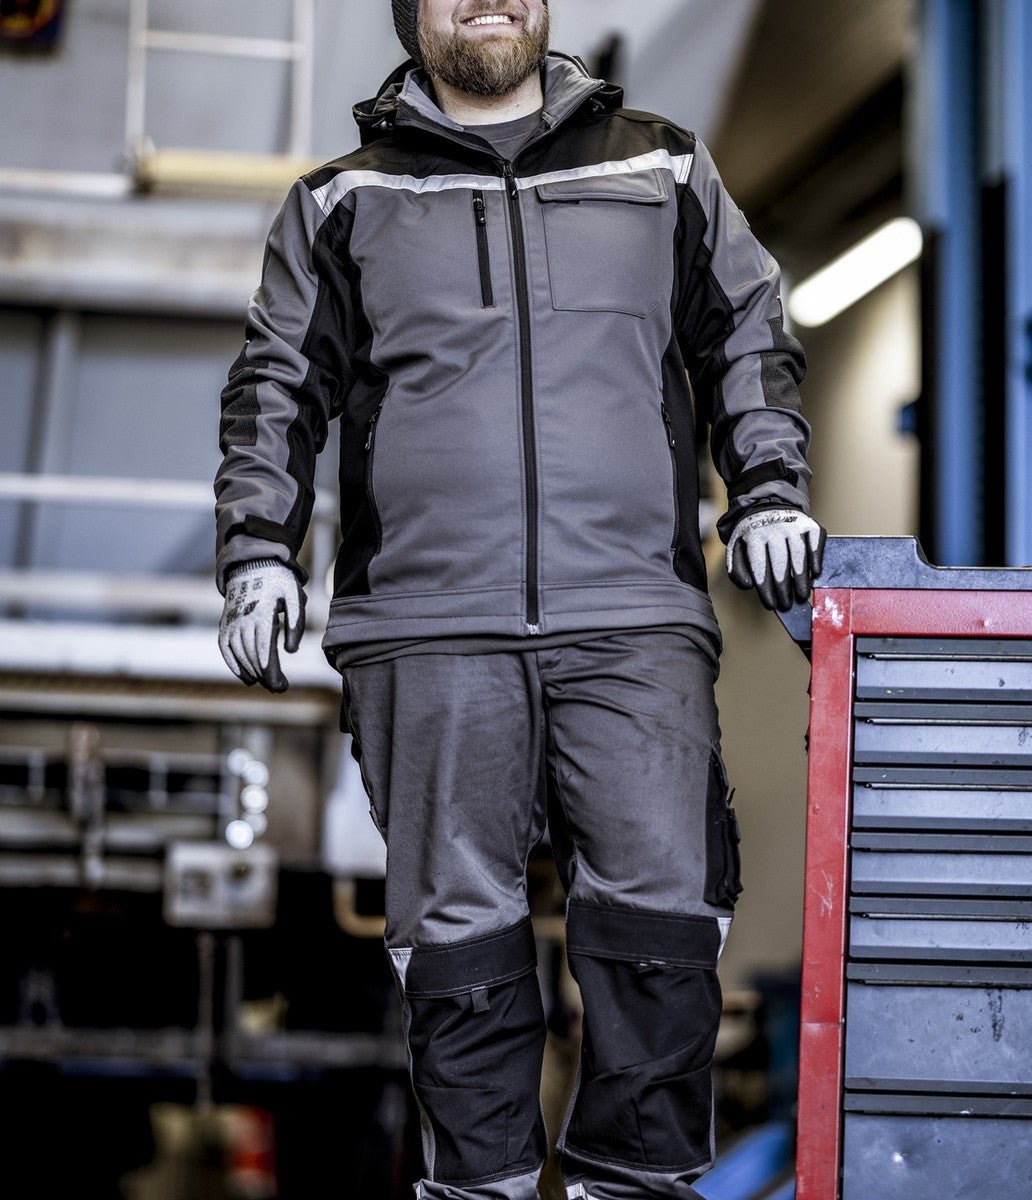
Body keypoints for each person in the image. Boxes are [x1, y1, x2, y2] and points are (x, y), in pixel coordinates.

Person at [212, 3, 825, 1198]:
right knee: (459, 942)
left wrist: (767, 490)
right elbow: (276, 382)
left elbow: (748, 330)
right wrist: (257, 553)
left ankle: (629, 1188)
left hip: (632, 614)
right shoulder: (341, 200)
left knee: (663, 923)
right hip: (426, 627)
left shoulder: (662, 165)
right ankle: (480, 1187)